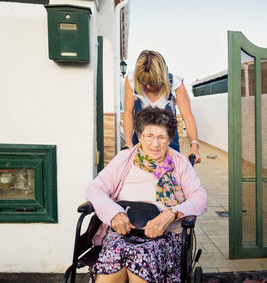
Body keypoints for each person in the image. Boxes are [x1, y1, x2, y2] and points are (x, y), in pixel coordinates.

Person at [86, 106, 207, 283]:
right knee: (113, 261)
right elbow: (94, 189)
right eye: (149, 136)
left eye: (161, 137)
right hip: (123, 232)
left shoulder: (179, 163)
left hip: (163, 235)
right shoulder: (125, 158)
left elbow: (200, 198)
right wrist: (114, 213)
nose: (155, 144)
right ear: (140, 137)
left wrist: (171, 213)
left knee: (141, 259)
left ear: (170, 139)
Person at [123, 50, 201, 163]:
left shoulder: (175, 84)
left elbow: (187, 116)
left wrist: (194, 146)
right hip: (141, 141)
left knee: (169, 177)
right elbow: (128, 113)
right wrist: (128, 142)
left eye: (153, 82)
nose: (148, 87)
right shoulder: (131, 81)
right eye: (144, 83)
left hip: (168, 143)